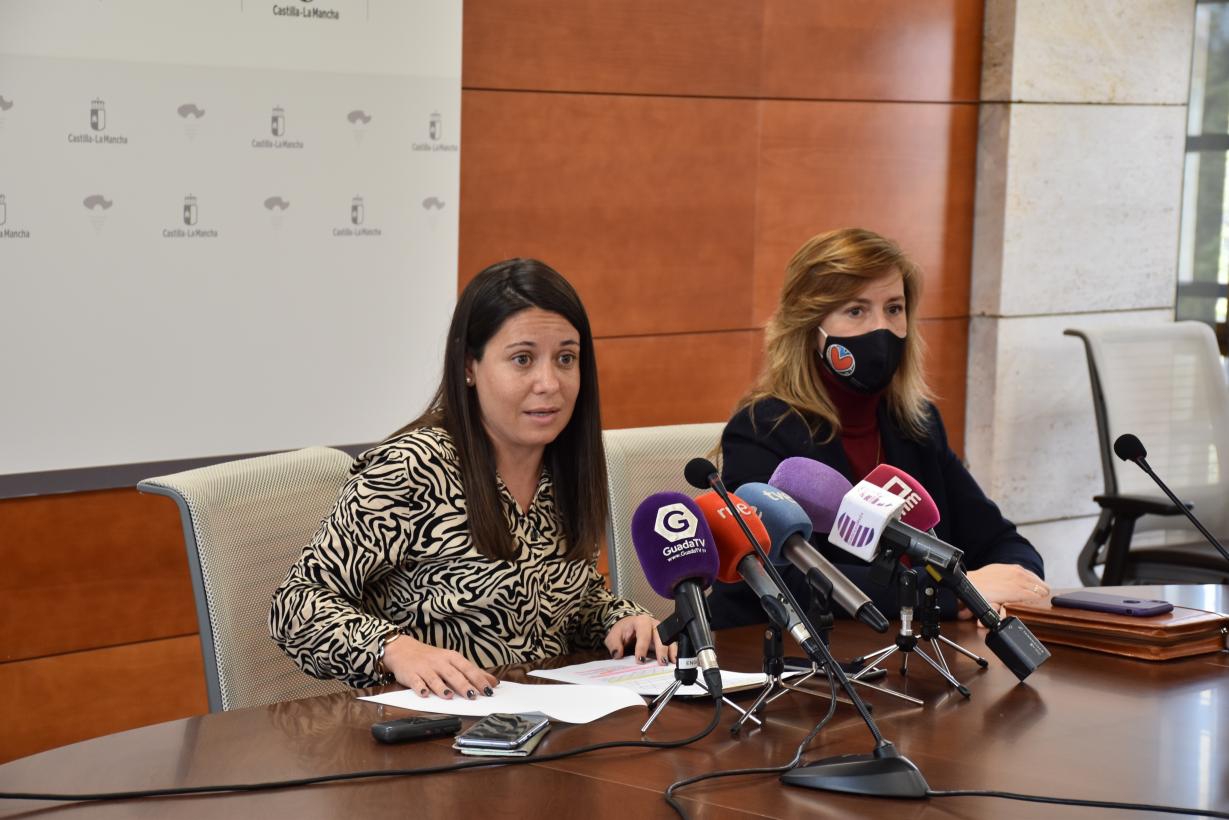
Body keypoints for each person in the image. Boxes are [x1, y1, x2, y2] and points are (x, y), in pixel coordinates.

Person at [270, 258, 667, 700]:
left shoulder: (565, 466)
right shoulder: (414, 467)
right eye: (522, 359)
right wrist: (393, 649)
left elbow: (563, 603)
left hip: (546, 718)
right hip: (431, 723)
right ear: (469, 366)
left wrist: (617, 618)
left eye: (565, 359)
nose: (549, 383)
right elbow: (296, 606)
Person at [710, 228, 1048, 628]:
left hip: (914, 646)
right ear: (810, 327)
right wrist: (952, 593)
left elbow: (1001, 542)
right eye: (856, 311)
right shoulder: (762, 430)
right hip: (795, 653)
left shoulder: (916, 424)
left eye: (894, 308)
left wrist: (1017, 586)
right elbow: (782, 580)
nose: (881, 328)